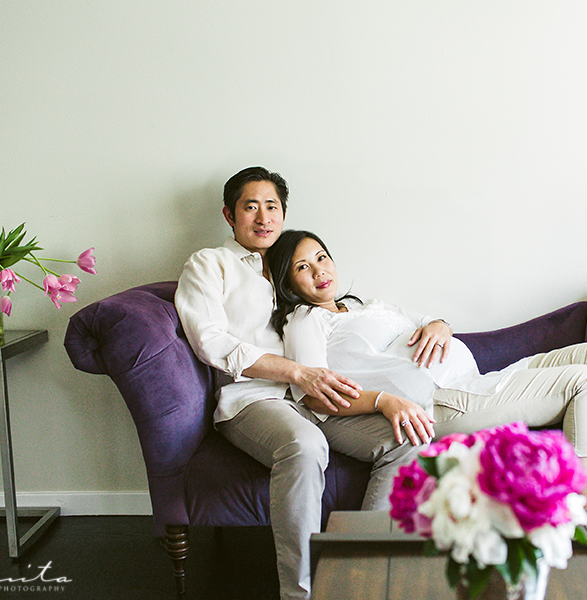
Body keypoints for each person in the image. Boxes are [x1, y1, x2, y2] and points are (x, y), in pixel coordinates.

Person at [265, 229, 587, 515]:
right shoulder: (306, 321)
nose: (320, 271)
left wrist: (440, 325)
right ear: (289, 281)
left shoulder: (366, 306)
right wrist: (385, 400)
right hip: (440, 401)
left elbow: (428, 325)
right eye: (304, 267)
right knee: (585, 381)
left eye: (322, 257)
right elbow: (312, 393)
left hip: (472, 384)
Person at [175, 167, 419, 600]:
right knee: (305, 446)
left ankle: (358, 574)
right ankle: (301, 593)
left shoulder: (295, 265)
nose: (263, 217)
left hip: (319, 399)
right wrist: (295, 373)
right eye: (251, 206)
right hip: (256, 398)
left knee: (408, 438)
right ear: (230, 215)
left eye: (272, 206)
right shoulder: (212, 263)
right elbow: (210, 341)